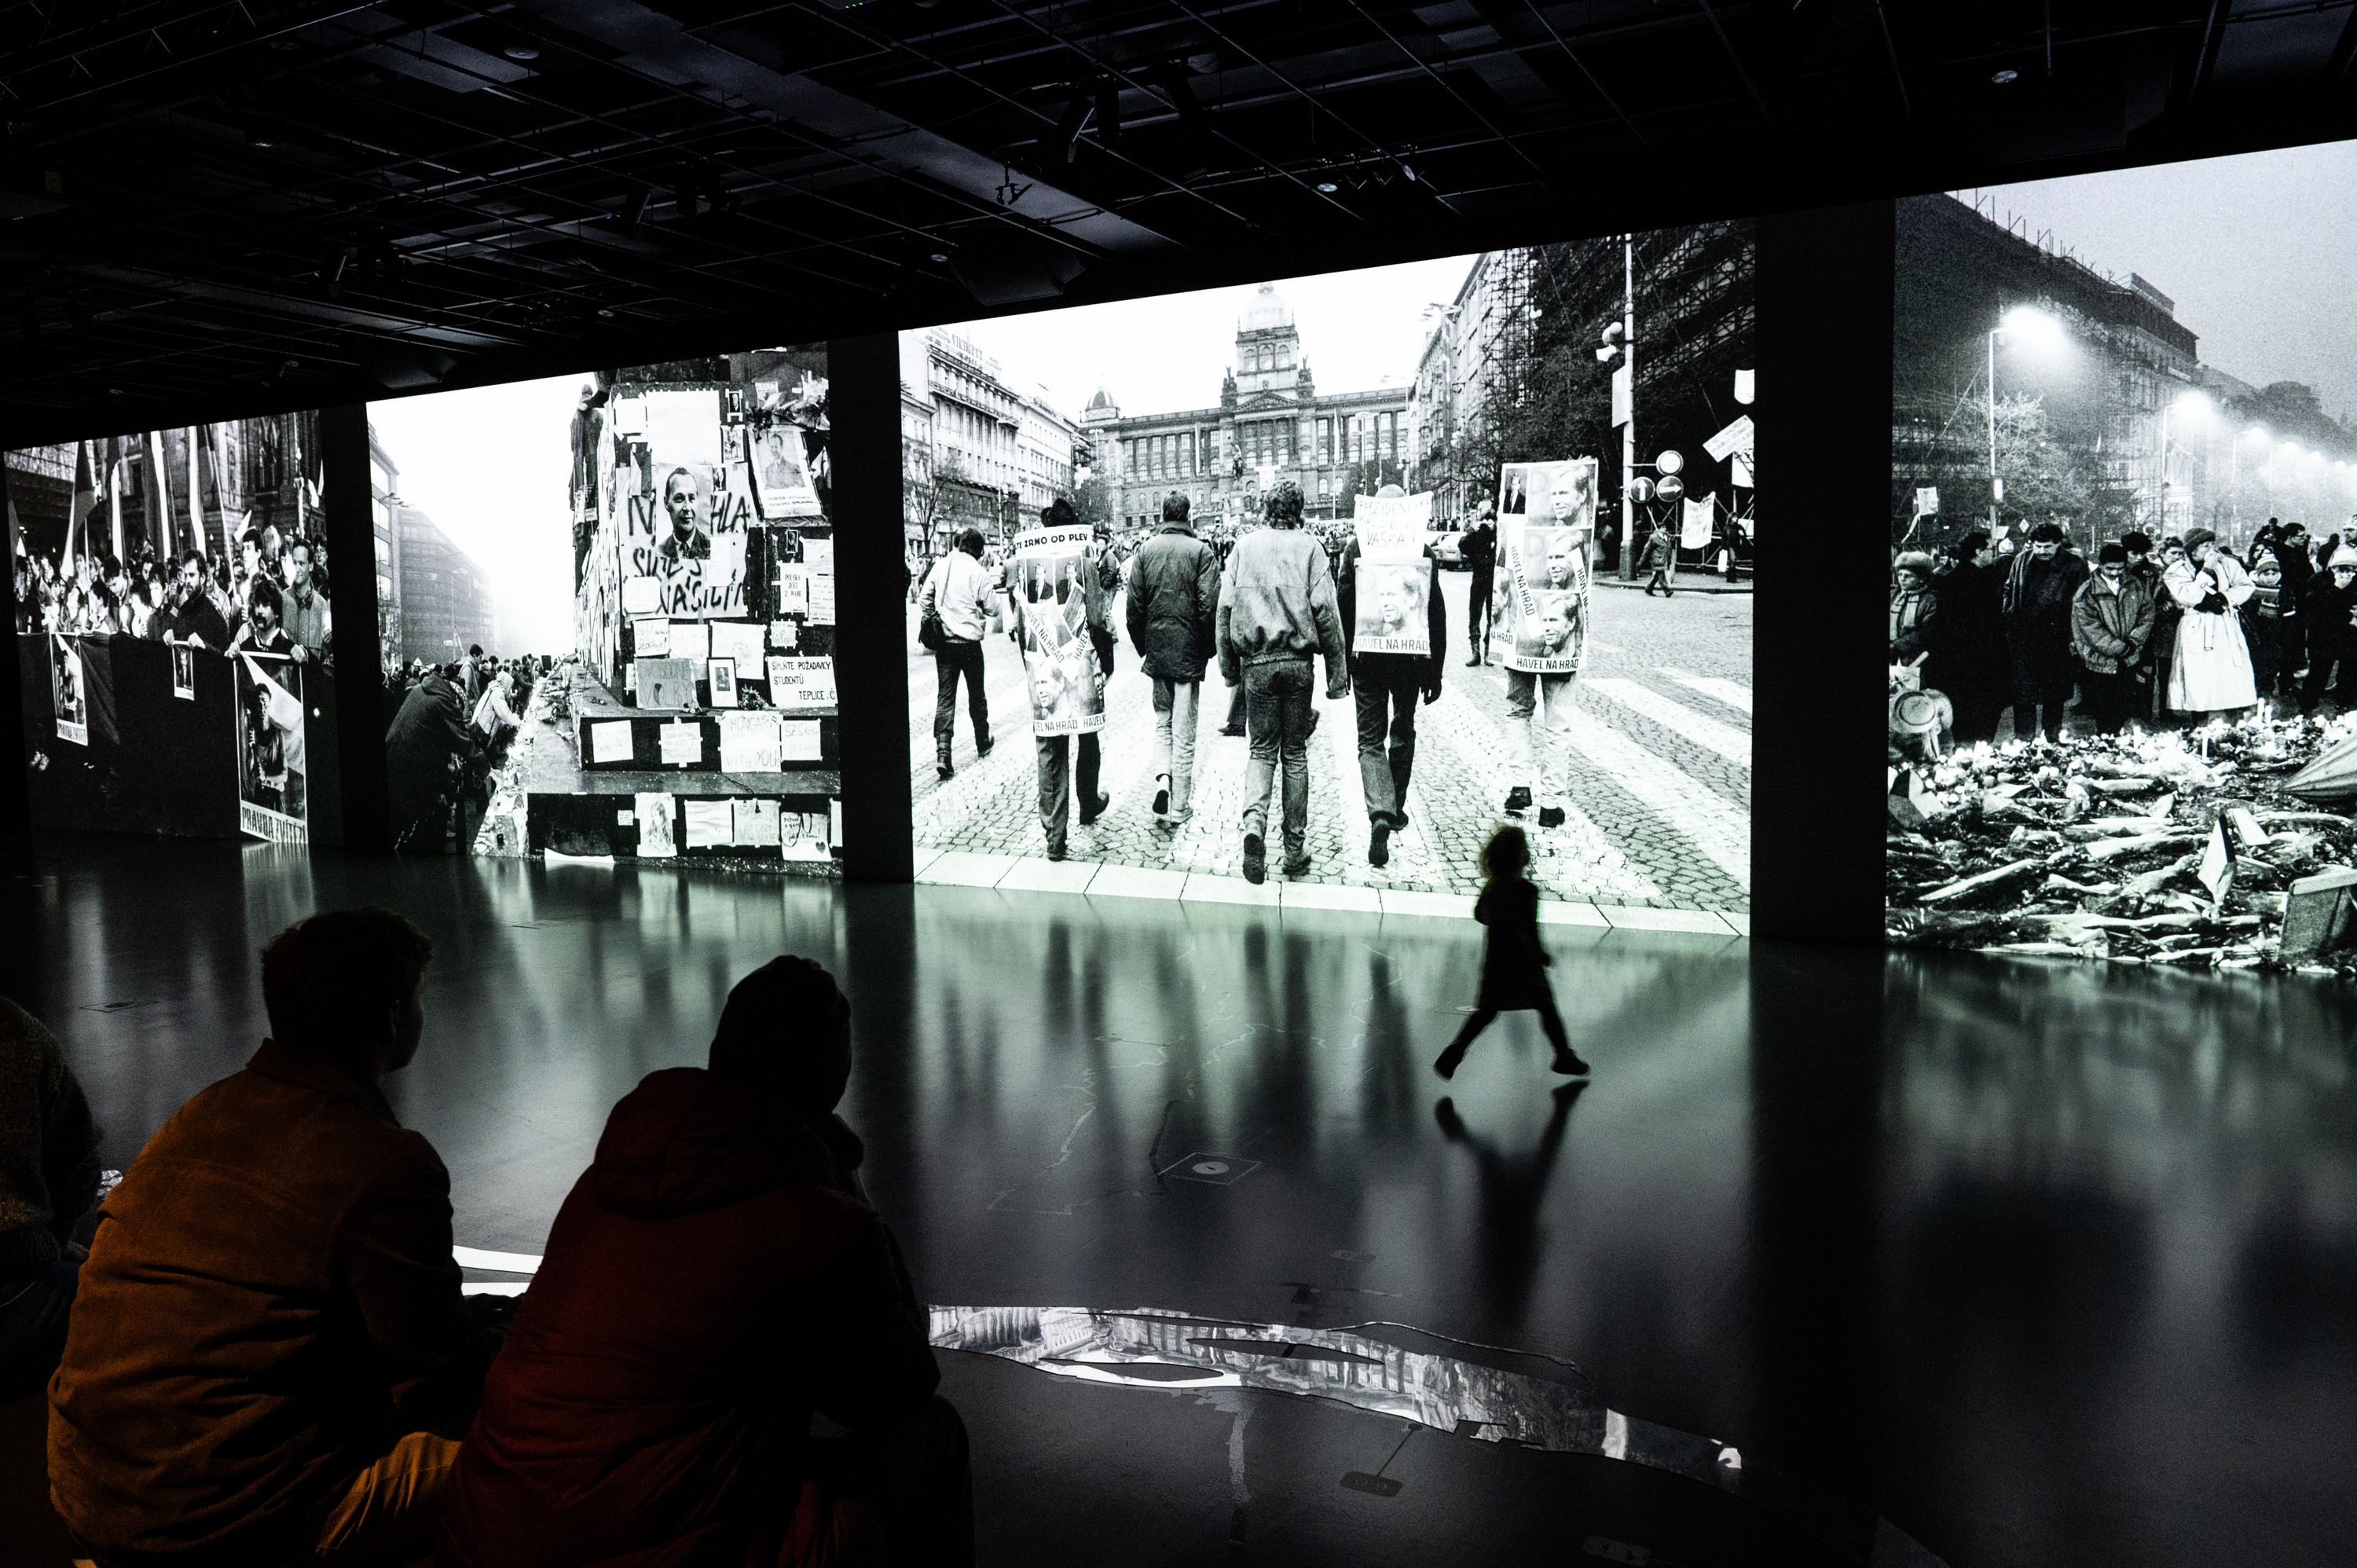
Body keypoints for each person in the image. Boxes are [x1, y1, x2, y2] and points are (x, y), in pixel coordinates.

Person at [437, 958, 971, 1568]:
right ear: (837, 1078)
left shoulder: (601, 1186)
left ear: (718, 1053)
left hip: (482, 1529)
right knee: (932, 1432)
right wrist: (845, 1179)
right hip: (645, 1550)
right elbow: (900, 1387)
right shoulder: (820, 1224)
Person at [49, 910, 502, 1568]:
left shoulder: (201, 1114)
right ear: (391, 1018)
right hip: (218, 1525)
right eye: (420, 998)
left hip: (91, 1497)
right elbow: (441, 1387)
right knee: (529, 1448)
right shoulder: (385, 1163)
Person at [1218, 482, 1348, 885]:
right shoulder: (1311, 549)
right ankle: (1294, 849)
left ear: (1266, 509)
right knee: (1294, 754)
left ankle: (1254, 828)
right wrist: (1337, 676)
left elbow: (1224, 610)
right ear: (1299, 511)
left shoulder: (1243, 548)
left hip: (1256, 665)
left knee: (1260, 752)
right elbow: (1327, 613)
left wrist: (1229, 668)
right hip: (1297, 666)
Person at [0, 996, 102, 1404]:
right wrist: (51, 1242)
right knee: (143, 1307)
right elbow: (78, 1158)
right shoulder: (12, 1031)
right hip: (11, 1292)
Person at [1337, 496, 1446, 868]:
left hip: (1367, 660)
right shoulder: (1422, 551)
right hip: (1409, 661)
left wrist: (1344, 662)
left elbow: (1343, 606)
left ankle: (1380, 812)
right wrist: (1435, 671)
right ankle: (1395, 807)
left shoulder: (1356, 548)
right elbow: (1435, 611)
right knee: (1402, 730)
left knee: (1370, 739)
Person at [1432, 826, 1587, 1081]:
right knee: (1546, 1007)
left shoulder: (1492, 887)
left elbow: (1480, 915)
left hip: (1496, 962)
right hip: (1525, 964)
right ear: (1520, 857)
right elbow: (1529, 928)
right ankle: (1563, 1055)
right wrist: (1539, 954)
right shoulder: (1527, 891)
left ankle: (1456, 1049)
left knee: (1486, 1010)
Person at [1127, 493, 1222, 828]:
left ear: (1162, 515)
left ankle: (1163, 781)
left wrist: (1145, 648)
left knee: (1162, 725)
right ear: (1188, 516)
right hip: (1188, 653)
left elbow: (1134, 608)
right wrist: (1206, 650)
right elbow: (1210, 607)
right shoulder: (1201, 552)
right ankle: (1180, 806)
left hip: (1158, 652)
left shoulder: (1144, 551)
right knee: (1184, 733)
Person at [918, 527, 1000, 780]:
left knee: (945, 697)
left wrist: (937, 616)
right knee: (977, 694)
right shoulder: (979, 572)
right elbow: (994, 609)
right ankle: (982, 741)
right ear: (979, 550)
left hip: (945, 644)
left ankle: (943, 755)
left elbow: (924, 599)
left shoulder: (941, 565)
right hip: (970, 645)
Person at [2000, 522, 2088, 741]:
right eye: (2037, 546)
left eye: (2048, 546)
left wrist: (2073, 638)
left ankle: (2052, 739)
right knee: (2023, 695)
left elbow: (2083, 603)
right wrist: (2008, 615)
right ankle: (2023, 741)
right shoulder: (2021, 560)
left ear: (2058, 544)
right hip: (2023, 638)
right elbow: (2009, 589)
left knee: (2054, 695)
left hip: (2057, 639)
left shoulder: (2075, 565)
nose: (2041, 551)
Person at [387, 662, 482, 850]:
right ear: (455, 698)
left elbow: (432, 736)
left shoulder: (422, 690)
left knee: (406, 821)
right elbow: (463, 742)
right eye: (458, 706)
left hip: (395, 756)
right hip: (408, 766)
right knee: (417, 823)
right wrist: (487, 769)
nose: (457, 710)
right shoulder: (442, 701)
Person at [1923, 533, 2008, 742]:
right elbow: (1993, 621)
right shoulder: (1986, 581)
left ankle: (1964, 751)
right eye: (1990, 549)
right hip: (1983, 659)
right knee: (1985, 713)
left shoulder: (1948, 580)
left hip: (1954, 660)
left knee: (1961, 712)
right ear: (1979, 552)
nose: (1993, 554)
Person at [2165, 527, 2257, 718]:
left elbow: (2246, 585)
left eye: (2212, 545)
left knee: (2229, 672)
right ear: (2193, 550)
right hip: (2196, 626)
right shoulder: (2177, 570)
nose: (2211, 550)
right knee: (2199, 676)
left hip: (2224, 624)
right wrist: (2206, 571)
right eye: (2205, 546)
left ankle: (2232, 717)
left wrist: (2225, 598)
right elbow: (2187, 596)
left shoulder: (2228, 564)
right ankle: (2200, 720)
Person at [2069, 543, 2157, 735]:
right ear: (2100, 565)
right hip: (2101, 660)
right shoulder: (2087, 592)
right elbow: (2090, 628)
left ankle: (2123, 741)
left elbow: (2147, 613)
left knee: (2126, 706)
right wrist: (2119, 648)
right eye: (2110, 568)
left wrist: (2134, 641)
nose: (2115, 573)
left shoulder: (2135, 585)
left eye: (2120, 568)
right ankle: (2106, 740)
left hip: (2129, 657)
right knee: (2105, 710)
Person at [2300, 546, 2357, 713]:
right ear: (2333, 568)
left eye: (2352, 569)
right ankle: (2307, 705)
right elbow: (2316, 605)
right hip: (2324, 635)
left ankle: (2344, 703)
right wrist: (2337, 588)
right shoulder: (2320, 580)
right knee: (2319, 672)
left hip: (2349, 635)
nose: (2348, 573)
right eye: (2342, 569)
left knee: (2349, 671)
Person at [2245, 544, 2286, 698]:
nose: (2270, 578)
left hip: (2276, 636)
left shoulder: (2283, 591)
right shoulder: (2252, 592)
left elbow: (2288, 617)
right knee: (2257, 665)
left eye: (2274, 573)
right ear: (2258, 575)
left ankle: (2266, 692)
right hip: (2256, 637)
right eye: (2266, 574)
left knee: (2271, 665)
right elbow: (2248, 616)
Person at [656, 466, 712, 569]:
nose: (687, 507)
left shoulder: (711, 548)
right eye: (679, 499)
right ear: (666, 503)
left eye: (691, 498)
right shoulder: (659, 552)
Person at [1461, 508, 1498, 665]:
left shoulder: (1499, 536)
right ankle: (1475, 653)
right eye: (1486, 519)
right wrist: (1473, 530)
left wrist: (1497, 531)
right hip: (1478, 580)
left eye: (1492, 520)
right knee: (1474, 616)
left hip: (1494, 582)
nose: (1489, 523)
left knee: (1492, 617)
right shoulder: (1477, 536)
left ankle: (1488, 652)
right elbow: (1463, 545)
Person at [1888, 551, 1937, 669]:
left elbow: (1926, 632)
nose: (1902, 579)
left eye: (1908, 576)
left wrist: (1897, 646)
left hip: (1917, 660)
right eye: (1900, 574)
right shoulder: (1893, 595)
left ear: (1921, 578)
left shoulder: (1930, 601)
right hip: (1892, 657)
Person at [283, 537, 331, 655]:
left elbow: (326, 658)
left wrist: (328, 644)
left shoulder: (323, 607)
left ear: (310, 566)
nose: (297, 569)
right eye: (294, 563)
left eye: (301, 563)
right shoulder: (281, 600)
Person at [1639, 522, 1676, 597]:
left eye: (1665, 527)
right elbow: (1647, 549)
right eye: (1663, 528)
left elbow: (1669, 548)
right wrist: (1641, 561)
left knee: (1657, 577)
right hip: (1657, 560)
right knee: (1661, 577)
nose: (1665, 529)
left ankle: (1649, 589)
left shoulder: (1667, 537)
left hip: (1664, 560)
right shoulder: (1653, 537)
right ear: (1658, 529)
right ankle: (1667, 591)